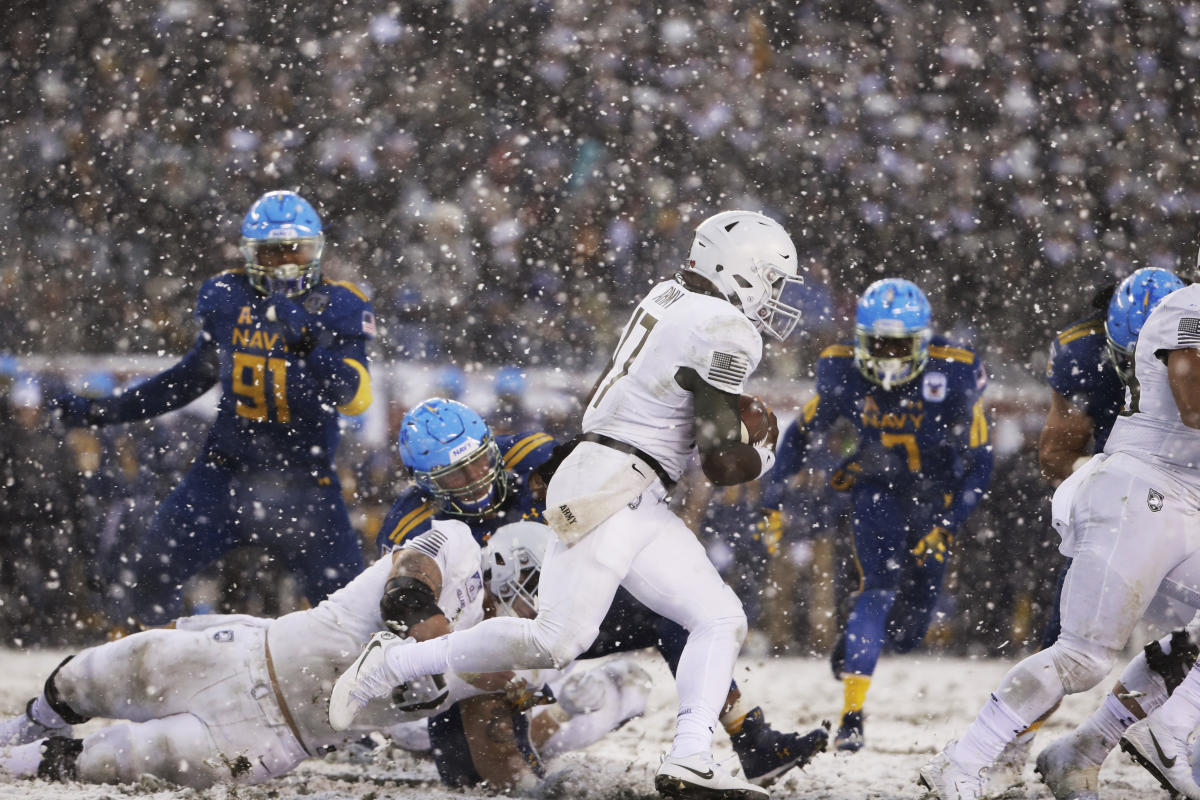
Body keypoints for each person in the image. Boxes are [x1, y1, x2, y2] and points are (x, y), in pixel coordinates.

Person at [330, 210, 812, 799]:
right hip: (616, 483)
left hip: (622, 477)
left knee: (717, 616)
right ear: (741, 270)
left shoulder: (668, 295)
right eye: (771, 280)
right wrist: (761, 450)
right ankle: (391, 665)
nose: (773, 298)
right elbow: (719, 461)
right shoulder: (727, 328)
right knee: (553, 640)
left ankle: (690, 759)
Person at [375, 397, 827, 787]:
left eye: (478, 460)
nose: (474, 478)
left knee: (674, 614)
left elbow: (607, 489)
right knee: (468, 776)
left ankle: (753, 740)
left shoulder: (532, 454)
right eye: (455, 475)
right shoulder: (412, 527)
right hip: (490, 638)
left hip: (567, 607)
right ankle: (524, 739)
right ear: (424, 482)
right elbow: (424, 623)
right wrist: (491, 672)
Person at [0, 517, 564, 789]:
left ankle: (15, 763)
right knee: (92, 676)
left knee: (108, 763)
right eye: (536, 598)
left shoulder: (503, 669)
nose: (535, 617)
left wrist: (534, 787)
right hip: (245, 657)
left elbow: (495, 758)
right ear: (514, 571)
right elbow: (407, 589)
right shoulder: (460, 545)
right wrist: (440, 645)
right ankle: (31, 723)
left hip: (268, 741)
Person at [920, 278, 1200, 800]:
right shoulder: (1175, 317)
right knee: (1081, 656)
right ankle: (969, 758)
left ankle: (1100, 744)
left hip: (1180, 500)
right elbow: (1192, 410)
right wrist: (1095, 478)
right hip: (1138, 495)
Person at [48, 190, 374, 626]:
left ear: (315, 249)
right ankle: (145, 678)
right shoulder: (226, 296)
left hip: (304, 484)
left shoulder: (341, 303)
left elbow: (355, 397)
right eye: (271, 252)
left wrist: (310, 346)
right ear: (249, 253)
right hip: (224, 476)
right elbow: (188, 380)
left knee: (354, 612)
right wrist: (103, 411)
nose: (285, 263)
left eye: (295, 249)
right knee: (152, 572)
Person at [766, 278, 993, 752]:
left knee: (910, 632)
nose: (889, 356)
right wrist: (773, 495)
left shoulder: (955, 371)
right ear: (861, 340)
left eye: (899, 345)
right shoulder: (841, 368)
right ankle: (852, 715)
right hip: (878, 494)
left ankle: (855, 642)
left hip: (934, 500)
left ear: (922, 342)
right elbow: (801, 431)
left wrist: (949, 522)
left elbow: (980, 462)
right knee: (878, 591)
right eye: (879, 344)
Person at [991, 268, 1188, 795]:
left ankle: (1109, 744)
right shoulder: (1083, 352)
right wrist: (1110, 485)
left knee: (1190, 644)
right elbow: (1055, 453)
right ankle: (1007, 744)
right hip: (1123, 503)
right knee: (1073, 643)